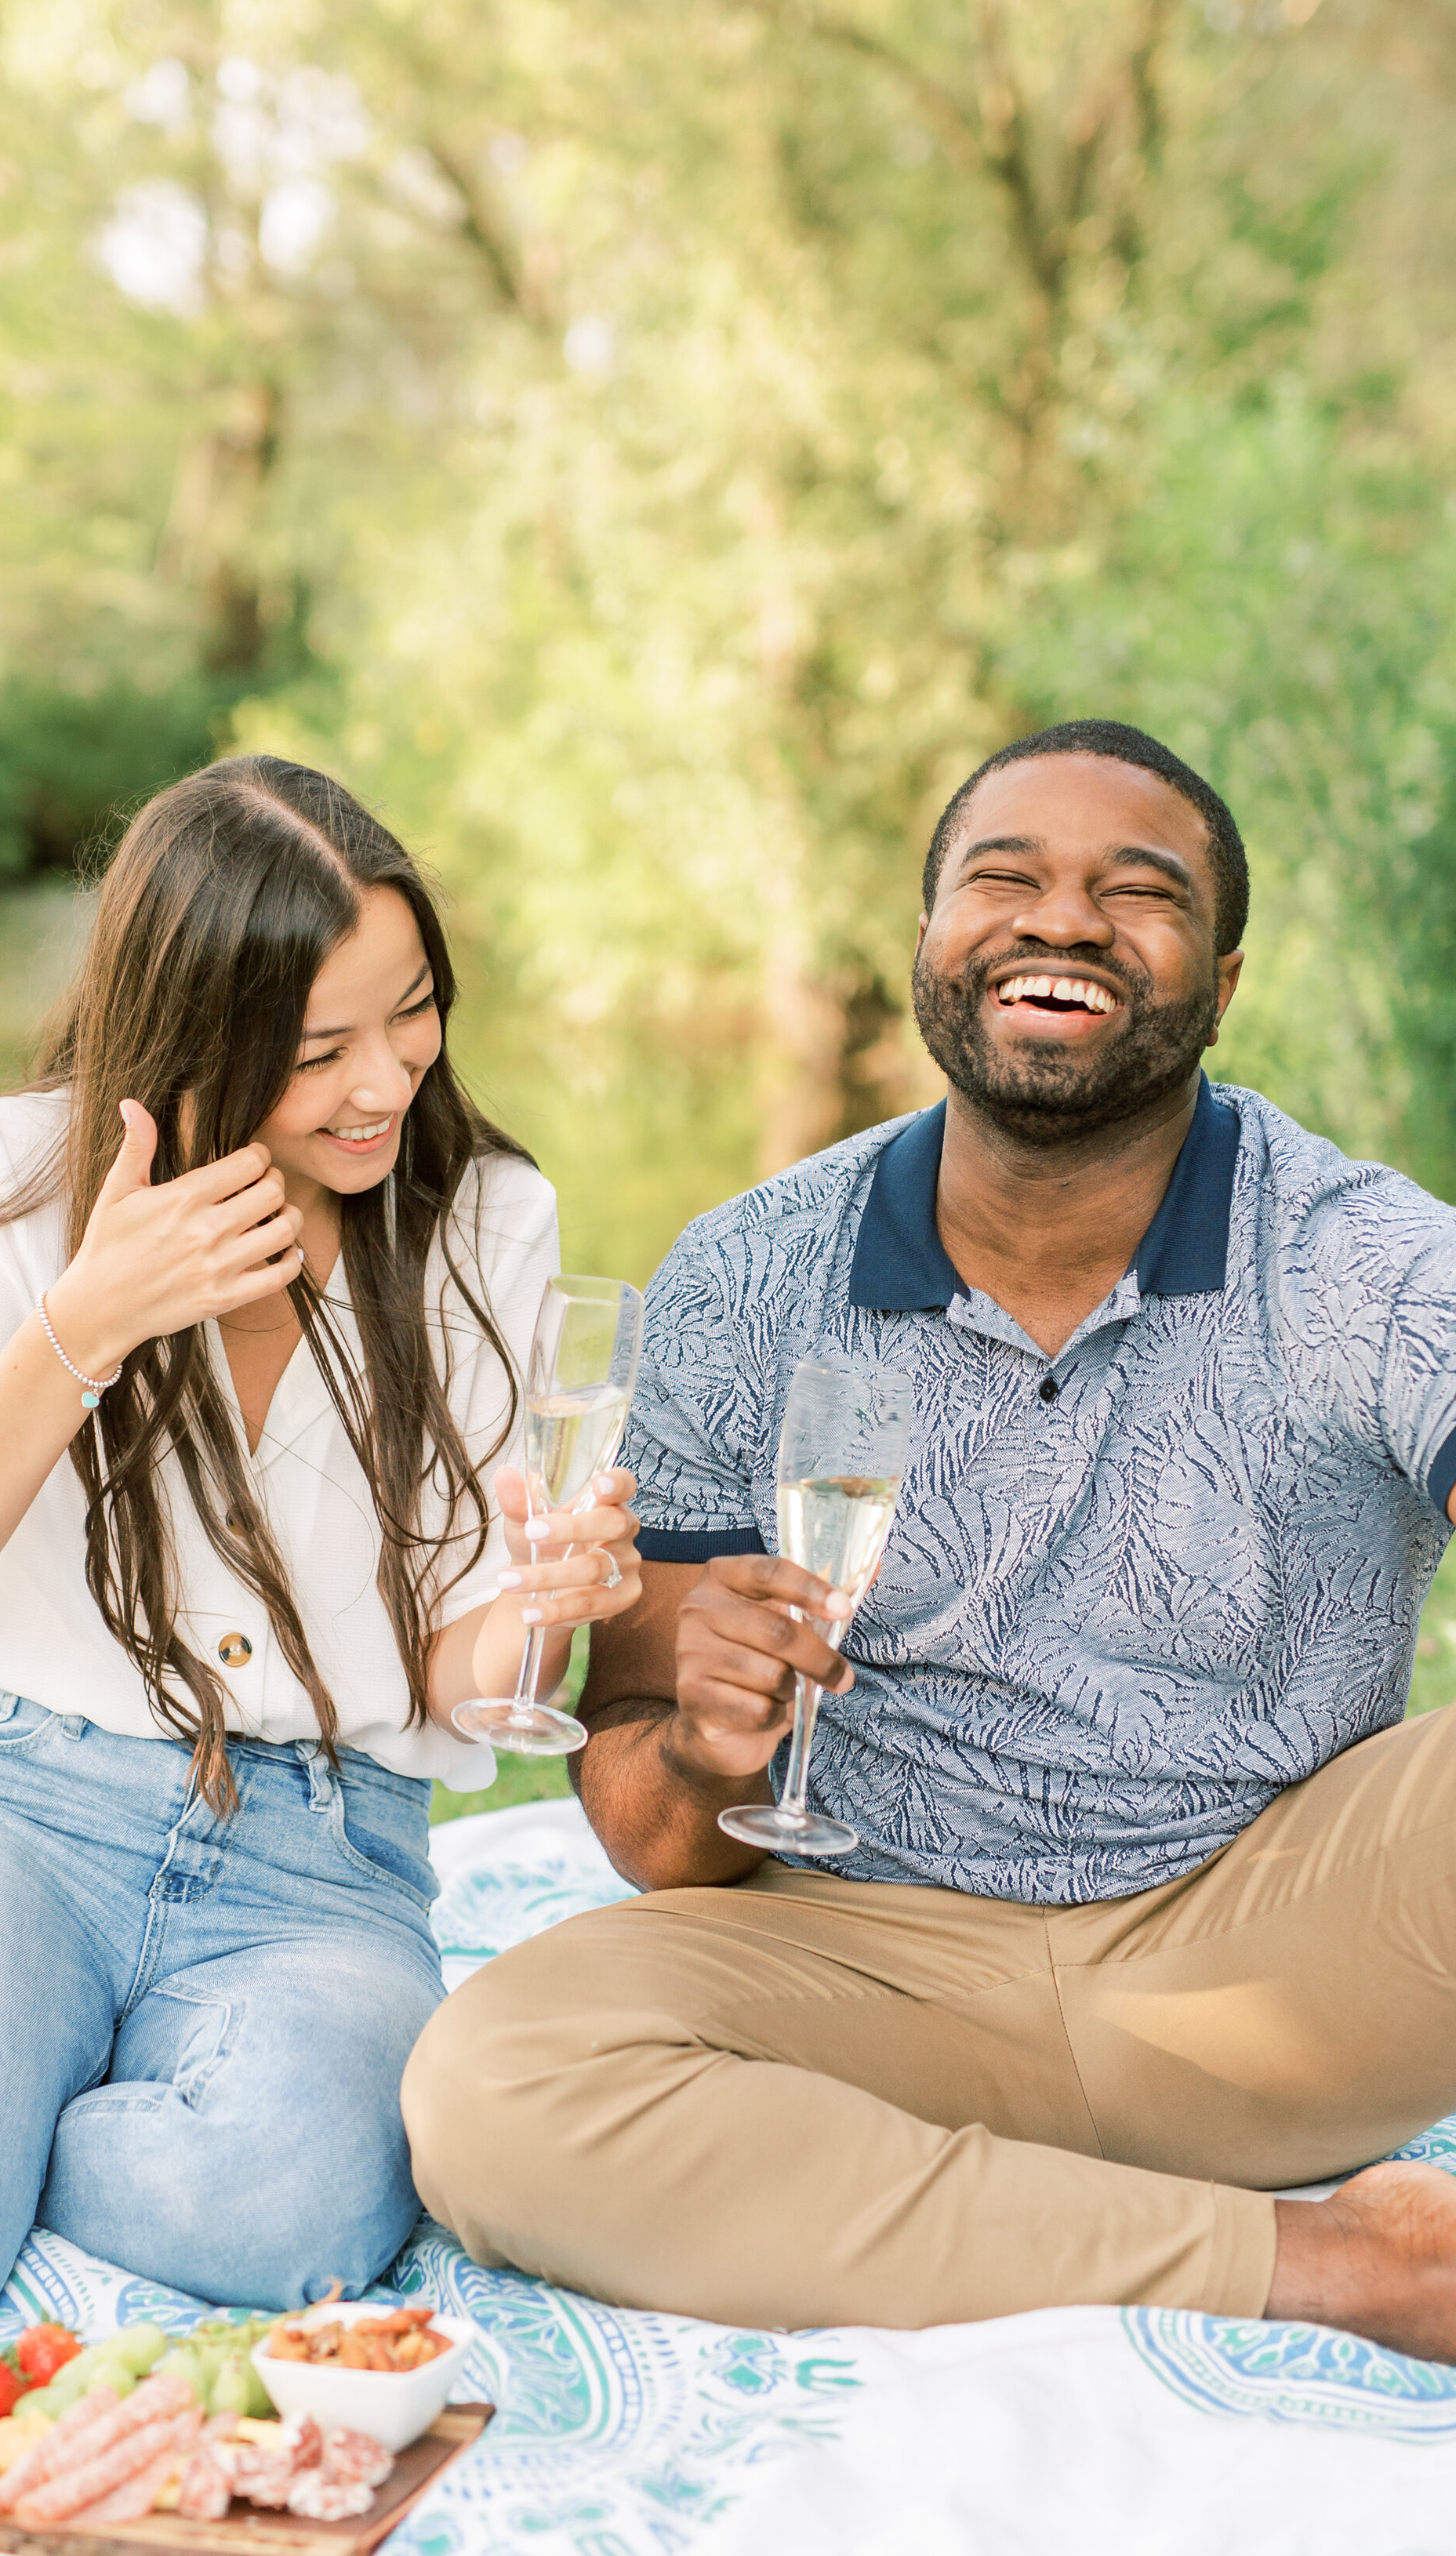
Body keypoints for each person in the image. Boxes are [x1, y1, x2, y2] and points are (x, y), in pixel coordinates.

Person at [403, 717, 1456, 2362]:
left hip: (1269, 1975)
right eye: (1004, 878)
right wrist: (701, 1748)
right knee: (490, 2086)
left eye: (1138, 890)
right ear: (925, 945)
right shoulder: (746, 1272)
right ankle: (1328, 2263)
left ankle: (954, 2212)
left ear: (1221, 980)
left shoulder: (1360, 1256)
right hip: (866, 1973)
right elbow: (652, 1838)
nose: (1062, 921)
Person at [0, 757, 641, 2325]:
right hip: (23, 1806)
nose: (386, 1083)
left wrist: (543, 1608)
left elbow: (451, 1675)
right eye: (318, 1049)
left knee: (279, 2214)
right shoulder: (29, 1179)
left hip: (322, 1859)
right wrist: (78, 1325)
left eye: (412, 1011)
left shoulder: (484, 1220)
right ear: (197, 1039)